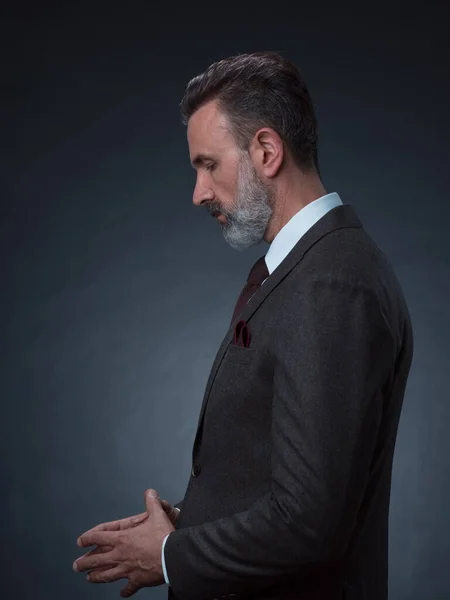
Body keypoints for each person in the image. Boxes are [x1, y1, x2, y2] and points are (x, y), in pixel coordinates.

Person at [73, 51, 414, 600]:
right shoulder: (308, 270)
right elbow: (281, 480)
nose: (199, 192)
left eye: (208, 164)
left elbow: (308, 522)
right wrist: (187, 522)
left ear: (266, 150)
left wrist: (168, 556)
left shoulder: (330, 284)